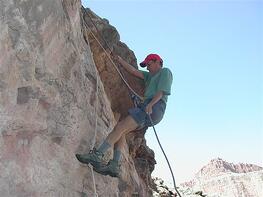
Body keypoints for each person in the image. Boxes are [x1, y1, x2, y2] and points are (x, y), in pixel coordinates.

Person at [76, 54, 173, 177]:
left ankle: (97, 155)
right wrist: (120, 60)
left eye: (149, 64)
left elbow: (162, 91)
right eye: (146, 65)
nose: (147, 68)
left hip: (154, 106)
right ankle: (114, 165)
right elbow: (133, 71)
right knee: (121, 130)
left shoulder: (165, 72)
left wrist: (151, 104)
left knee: (120, 127)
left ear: (157, 62)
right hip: (150, 109)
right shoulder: (149, 76)